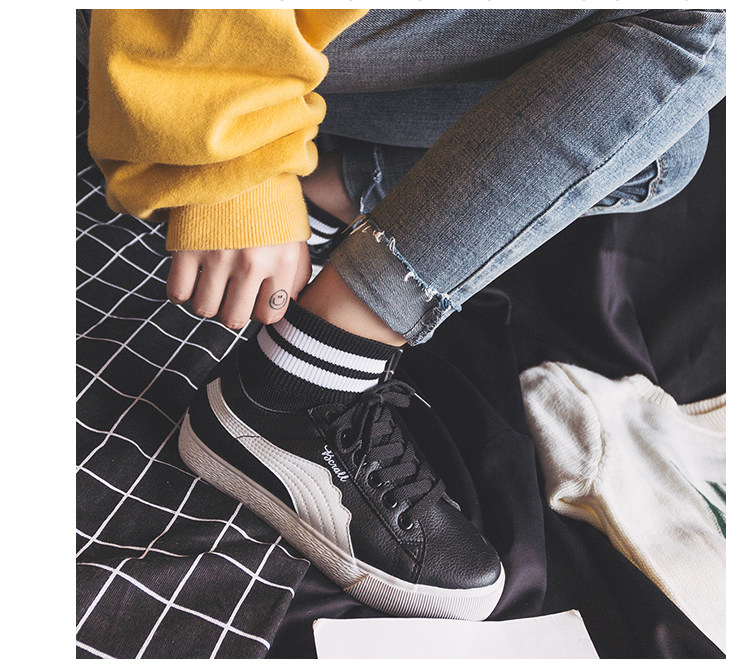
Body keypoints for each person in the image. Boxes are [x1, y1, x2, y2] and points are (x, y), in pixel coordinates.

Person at [87, 8, 726, 620]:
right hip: (182, 38)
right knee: (707, 22)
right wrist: (236, 171)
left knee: (664, 144)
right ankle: (302, 378)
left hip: (305, 37)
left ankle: (322, 204)